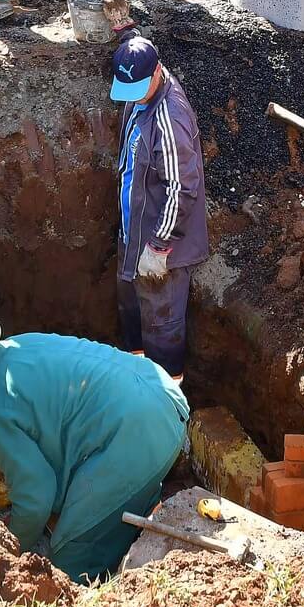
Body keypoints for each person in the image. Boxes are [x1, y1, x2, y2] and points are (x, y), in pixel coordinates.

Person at [0, 324, 189, 582]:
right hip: (160, 392)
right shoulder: (15, 348)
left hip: (140, 433)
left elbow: (36, 497)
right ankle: (129, 519)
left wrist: (12, 543)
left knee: (68, 558)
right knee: (94, 511)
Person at [109, 36, 208, 380]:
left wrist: (158, 246)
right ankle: (137, 387)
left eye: (137, 87)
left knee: (162, 329)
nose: (130, 95)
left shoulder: (170, 118)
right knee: (133, 315)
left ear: (156, 73)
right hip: (134, 234)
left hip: (159, 246)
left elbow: (182, 188)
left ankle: (169, 410)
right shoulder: (138, 96)